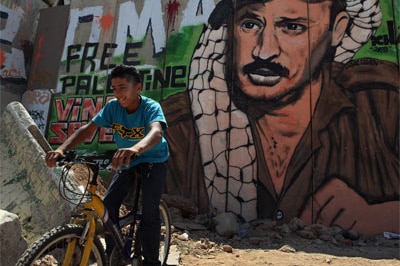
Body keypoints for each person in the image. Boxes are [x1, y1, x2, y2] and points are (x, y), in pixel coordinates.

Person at [162, 0, 399, 235]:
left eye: (292, 27)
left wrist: (385, 215)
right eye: (250, 24)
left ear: (337, 30)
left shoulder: (384, 102)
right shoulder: (177, 130)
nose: (264, 51)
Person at [46, 64, 169, 266]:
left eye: (123, 87)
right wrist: (61, 149)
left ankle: (151, 262)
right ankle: (115, 256)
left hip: (153, 160)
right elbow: (87, 130)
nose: (118, 93)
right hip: (126, 161)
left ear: (137, 88)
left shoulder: (150, 107)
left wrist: (135, 149)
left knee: (149, 212)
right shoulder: (112, 107)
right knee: (107, 210)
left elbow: (156, 132)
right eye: (114, 88)